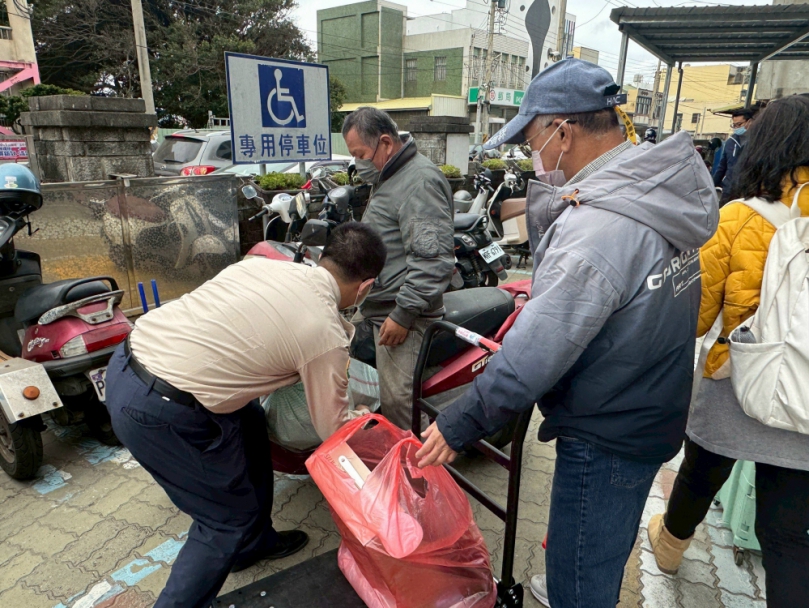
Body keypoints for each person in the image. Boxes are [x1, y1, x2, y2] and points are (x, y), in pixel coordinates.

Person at [415, 58, 718, 608]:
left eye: (533, 138)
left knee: (580, 586)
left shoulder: (600, 228)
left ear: (564, 129)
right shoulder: (655, 193)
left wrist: (463, 421)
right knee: (597, 562)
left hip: (606, 434)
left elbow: (534, 353)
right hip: (649, 409)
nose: (534, 154)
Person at [105, 222, 386, 608]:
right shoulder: (324, 333)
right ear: (366, 286)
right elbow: (330, 429)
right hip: (160, 410)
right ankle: (223, 552)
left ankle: (254, 543)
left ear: (324, 257)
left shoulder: (262, 265)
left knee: (251, 423)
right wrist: (360, 418)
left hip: (125, 362)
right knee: (223, 521)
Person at [648, 95, 809, 607]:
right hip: (804, 396)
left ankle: (670, 549)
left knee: (699, 472)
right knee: (787, 539)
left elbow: (693, 315)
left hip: (734, 378)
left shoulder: (738, 217)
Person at [342, 107, 454, 430]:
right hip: (378, 309)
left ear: (386, 143)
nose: (358, 164)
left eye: (361, 154)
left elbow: (431, 260)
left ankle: (414, 476)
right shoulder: (388, 176)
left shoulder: (418, 181)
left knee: (398, 406)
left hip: (403, 317)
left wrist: (403, 314)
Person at [713, 108, 754, 202]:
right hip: (728, 190)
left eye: (739, 124)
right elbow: (722, 167)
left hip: (747, 193)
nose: (736, 128)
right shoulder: (730, 142)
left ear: (749, 122)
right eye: (734, 125)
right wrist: (713, 185)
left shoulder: (757, 142)